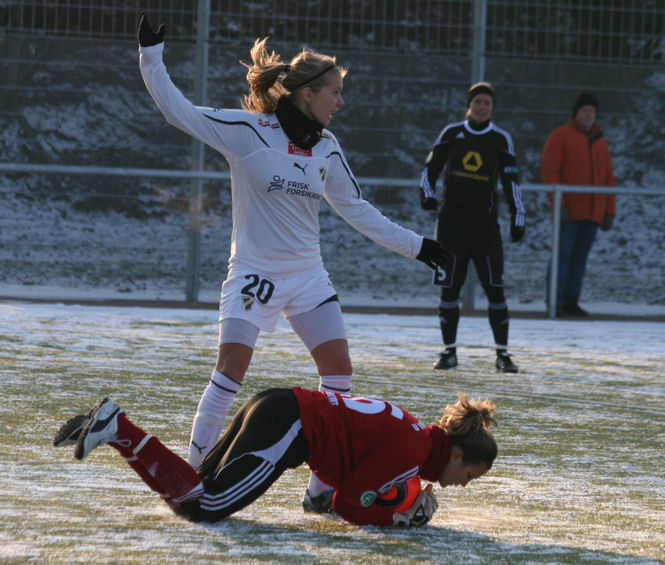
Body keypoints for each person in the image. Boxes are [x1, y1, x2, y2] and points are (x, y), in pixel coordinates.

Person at [136, 12, 451, 508]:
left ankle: (320, 491)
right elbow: (180, 112)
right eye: (335, 93)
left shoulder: (326, 147)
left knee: (339, 375)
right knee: (232, 367)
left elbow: (356, 209)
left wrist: (419, 246)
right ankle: (191, 471)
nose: (341, 102)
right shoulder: (247, 131)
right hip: (254, 272)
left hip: (308, 277)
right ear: (309, 94)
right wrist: (151, 56)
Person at [53, 389, 497, 527]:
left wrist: (378, 499)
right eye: (468, 474)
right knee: (203, 506)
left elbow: (346, 480)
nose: (462, 483)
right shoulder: (416, 450)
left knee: (189, 495)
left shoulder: (419, 439)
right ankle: (116, 427)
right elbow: (347, 502)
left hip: (278, 405)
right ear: (457, 453)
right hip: (291, 423)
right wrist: (394, 518)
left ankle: (109, 428)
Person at [419, 82, 525, 373]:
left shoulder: (500, 139)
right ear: (469, 104)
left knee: (495, 289)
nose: (482, 107)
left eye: (487, 103)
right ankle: (448, 353)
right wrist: (427, 195)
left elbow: (511, 181)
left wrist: (518, 217)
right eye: (478, 102)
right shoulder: (452, 134)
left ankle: (503, 355)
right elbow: (430, 169)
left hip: (485, 227)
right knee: (449, 290)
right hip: (451, 225)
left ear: (492, 108)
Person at [541, 93, 616, 317]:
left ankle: (571, 301)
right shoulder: (560, 136)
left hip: (593, 213)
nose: (589, 114)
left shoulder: (600, 142)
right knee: (562, 257)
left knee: (579, 259)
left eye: (592, 111)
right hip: (569, 212)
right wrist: (559, 204)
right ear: (575, 113)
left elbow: (608, 177)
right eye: (585, 110)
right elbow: (550, 171)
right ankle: (555, 303)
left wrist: (609, 210)